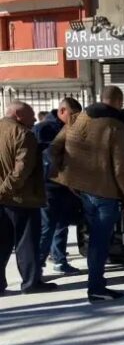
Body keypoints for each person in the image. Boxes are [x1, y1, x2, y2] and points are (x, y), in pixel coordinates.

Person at [49, 86, 124, 303]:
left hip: (83, 191)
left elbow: (53, 148)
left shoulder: (76, 119)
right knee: (100, 242)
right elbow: (120, 167)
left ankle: (96, 285)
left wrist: (67, 177)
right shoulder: (116, 126)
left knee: (94, 239)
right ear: (119, 101)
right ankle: (96, 288)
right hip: (105, 191)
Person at [0, 101, 57, 295]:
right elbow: (21, 171)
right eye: (31, 115)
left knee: (2, 243)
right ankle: (31, 282)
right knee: (27, 244)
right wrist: (4, 190)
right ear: (18, 114)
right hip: (22, 199)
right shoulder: (24, 134)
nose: (34, 119)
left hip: (4, 199)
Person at [32, 98, 82, 275]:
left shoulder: (71, 128)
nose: (75, 119)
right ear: (62, 111)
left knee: (62, 226)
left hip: (65, 186)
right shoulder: (43, 129)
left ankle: (59, 260)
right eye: (73, 115)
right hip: (49, 187)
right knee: (47, 228)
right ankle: (35, 268)